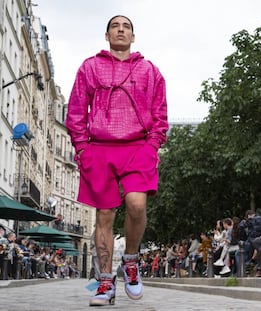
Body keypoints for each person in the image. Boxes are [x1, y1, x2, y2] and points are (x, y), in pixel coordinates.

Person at [65, 15, 168, 306]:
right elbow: (75, 110)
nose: (121, 30)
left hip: (138, 147)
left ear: (133, 37)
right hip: (99, 147)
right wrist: (82, 147)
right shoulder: (89, 67)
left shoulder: (149, 70)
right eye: (115, 26)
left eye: (126, 27)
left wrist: (153, 145)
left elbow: (160, 113)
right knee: (105, 216)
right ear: (107, 35)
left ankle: (131, 260)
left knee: (137, 204)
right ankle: (106, 283)